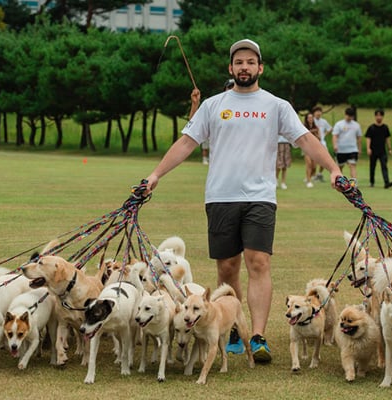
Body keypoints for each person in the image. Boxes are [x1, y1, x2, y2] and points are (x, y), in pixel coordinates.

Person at [144, 38, 342, 363]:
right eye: (239, 62)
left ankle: (260, 336)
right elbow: (186, 143)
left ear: (260, 67)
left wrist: (333, 169)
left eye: (251, 62)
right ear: (231, 68)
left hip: (260, 197)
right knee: (227, 266)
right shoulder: (212, 105)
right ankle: (234, 326)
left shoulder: (276, 105)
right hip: (220, 196)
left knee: (259, 262)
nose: (245, 67)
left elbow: (305, 139)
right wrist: (155, 175)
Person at [191, 79, 235, 165]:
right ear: (224, 90)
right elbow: (193, 123)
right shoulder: (214, 106)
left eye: (234, 87)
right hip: (220, 164)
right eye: (230, 87)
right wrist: (195, 104)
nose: (232, 90)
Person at [365, 108, 392, 189]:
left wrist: (389, 148)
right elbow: (368, 138)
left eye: (380, 115)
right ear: (375, 116)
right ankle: (372, 182)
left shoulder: (385, 127)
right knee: (372, 166)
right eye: (377, 115)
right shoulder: (371, 128)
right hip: (373, 150)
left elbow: (387, 138)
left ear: (383, 117)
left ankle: (386, 182)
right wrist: (368, 148)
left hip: (382, 151)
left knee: (384, 166)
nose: (379, 117)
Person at [332, 107, 363, 180]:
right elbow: (335, 136)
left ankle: (353, 183)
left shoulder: (356, 125)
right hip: (341, 150)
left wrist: (359, 149)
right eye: (348, 115)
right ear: (345, 114)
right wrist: (335, 145)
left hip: (352, 149)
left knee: (352, 165)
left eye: (351, 116)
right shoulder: (339, 124)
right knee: (340, 167)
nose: (349, 118)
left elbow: (359, 138)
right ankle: (340, 182)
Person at [312, 106, 332, 182]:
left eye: (320, 111)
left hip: (322, 142)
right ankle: (311, 175)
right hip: (313, 143)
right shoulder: (311, 120)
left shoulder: (323, 121)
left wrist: (324, 134)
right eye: (317, 111)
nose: (318, 113)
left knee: (324, 159)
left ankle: (319, 174)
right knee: (313, 161)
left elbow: (330, 128)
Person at [302, 112, 319, 188]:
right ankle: (309, 181)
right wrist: (311, 131)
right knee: (309, 164)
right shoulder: (303, 127)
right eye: (309, 118)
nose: (310, 119)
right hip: (306, 148)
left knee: (314, 166)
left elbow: (319, 137)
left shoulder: (316, 127)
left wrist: (316, 133)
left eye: (312, 118)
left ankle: (308, 176)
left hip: (314, 148)